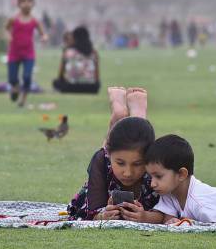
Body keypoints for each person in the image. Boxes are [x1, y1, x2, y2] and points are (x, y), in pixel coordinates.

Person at [68, 88, 161, 221]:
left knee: (137, 142)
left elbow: (170, 212)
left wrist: (147, 217)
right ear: (109, 154)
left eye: (137, 164)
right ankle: (126, 117)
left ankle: (137, 116)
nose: (128, 173)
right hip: (107, 168)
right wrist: (102, 216)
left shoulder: (155, 166)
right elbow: (91, 211)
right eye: (120, 163)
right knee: (129, 145)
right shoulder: (102, 159)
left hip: (139, 152)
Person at [5, 0, 48, 107]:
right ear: (18, 4)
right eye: (23, 1)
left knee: (27, 77)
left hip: (28, 54)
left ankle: (23, 99)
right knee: (12, 78)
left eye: (29, 1)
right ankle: (15, 87)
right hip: (14, 53)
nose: (26, 4)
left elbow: (43, 33)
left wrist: (44, 37)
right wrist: (8, 35)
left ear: (33, 4)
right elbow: (6, 29)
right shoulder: (13, 19)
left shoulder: (35, 21)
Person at [53, 26, 100, 94]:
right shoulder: (94, 52)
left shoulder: (68, 52)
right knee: (97, 83)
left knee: (56, 82)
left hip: (71, 87)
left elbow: (61, 74)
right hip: (91, 88)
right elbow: (97, 75)